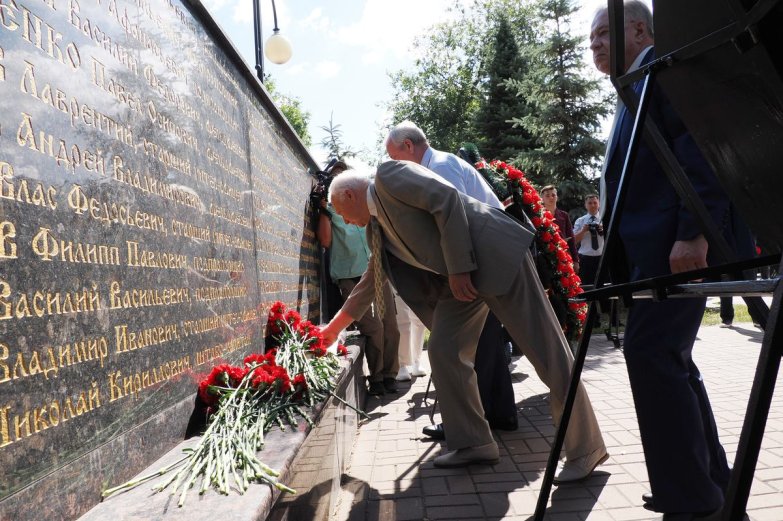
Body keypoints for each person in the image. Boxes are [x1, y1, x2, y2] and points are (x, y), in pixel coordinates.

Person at [320, 163, 607, 478]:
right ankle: (473, 443)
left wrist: (458, 268)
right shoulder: (376, 228)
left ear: (349, 193)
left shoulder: (390, 175)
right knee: (444, 351)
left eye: (341, 212)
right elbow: (368, 284)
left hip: (494, 258)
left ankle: (586, 448)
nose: (344, 220)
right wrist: (332, 331)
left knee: (547, 353)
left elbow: (447, 201)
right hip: (461, 285)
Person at [590, 2, 755, 518]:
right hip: (655, 251)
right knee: (669, 360)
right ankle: (707, 483)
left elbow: (700, 152)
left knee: (653, 357)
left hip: (676, 247)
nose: (593, 46)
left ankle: (692, 497)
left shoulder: (662, 71)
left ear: (639, 28)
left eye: (601, 35)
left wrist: (694, 233)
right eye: (589, 40)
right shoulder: (633, 83)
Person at [385, 120, 518, 435]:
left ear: (408, 146)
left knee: (467, 345)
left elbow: (455, 221)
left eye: (395, 158)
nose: (394, 166)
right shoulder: (437, 165)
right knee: (483, 342)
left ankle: (476, 420)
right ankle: (495, 415)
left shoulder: (440, 167)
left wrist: (458, 271)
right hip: (482, 257)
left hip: (481, 260)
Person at [316, 163, 400, 396]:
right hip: (350, 274)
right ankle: (377, 377)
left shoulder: (375, 205)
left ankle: (390, 374)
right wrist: (323, 210)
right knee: (373, 328)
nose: (347, 220)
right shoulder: (334, 209)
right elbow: (325, 240)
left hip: (376, 269)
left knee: (389, 325)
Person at [573, 194, 612, 327]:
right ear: (585, 205)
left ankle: (613, 319)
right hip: (586, 258)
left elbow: (613, 239)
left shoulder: (605, 218)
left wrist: (604, 230)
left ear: (599, 204)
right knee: (588, 289)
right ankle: (593, 320)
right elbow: (574, 241)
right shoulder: (580, 221)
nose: (593, 205)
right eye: (590, 203)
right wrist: (584, 231)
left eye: (595, 203)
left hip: (603, 257)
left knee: (608, 287)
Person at [541, 185, 579, 273]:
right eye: (547, 195)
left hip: (564, 254)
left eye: (553, 195)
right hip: (545, 255)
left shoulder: (564, 215)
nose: (551, 197)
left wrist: (576, 260)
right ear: (542, 198)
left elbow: (571, 238)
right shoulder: (538, 215)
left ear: (557, 197)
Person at [393, 293, 428, 381]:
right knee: (402, 318)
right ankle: (402, 364)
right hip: (398, 280)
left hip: (419, 280)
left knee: (419, 319)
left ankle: (417, 360)